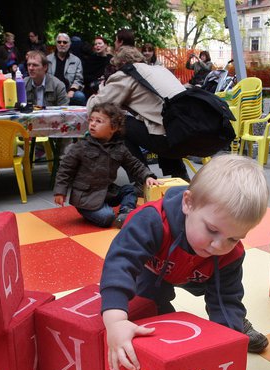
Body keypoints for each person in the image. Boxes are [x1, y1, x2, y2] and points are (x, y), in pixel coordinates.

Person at [101, 155, 270, 370]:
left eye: (233, 238)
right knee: (149, 308)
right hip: (154, 268)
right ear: (188, 203)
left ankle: (239, 326)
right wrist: (115, 322)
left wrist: (229, 350)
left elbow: (225, 298)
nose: (219, 245)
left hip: (201, 274)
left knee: (228, 312)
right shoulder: (151, 221)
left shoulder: (229, 254)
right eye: (212, 229)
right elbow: (119, 264)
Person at [87, 46, 190, 181]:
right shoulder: (159, 70)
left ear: (122, 63)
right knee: (162, 120)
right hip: (186, 135)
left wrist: (101, 90)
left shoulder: (127, 74)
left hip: (168, 141)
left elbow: (96, 108)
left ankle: (142, 179)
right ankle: (180, 175)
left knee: (120, 124)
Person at [54, 102, 160, 228]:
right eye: (91, 120)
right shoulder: (81, 146)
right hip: (86, 198)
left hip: (107, 192)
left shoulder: (120, 148)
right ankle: (97, 213)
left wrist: (147, 176)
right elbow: (65, 169)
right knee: (107, 217)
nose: (92, 124)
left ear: (113, 128)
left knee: (130, 190)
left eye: (98, 121)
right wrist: (60, 192)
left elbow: (134, 164)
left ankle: (126, 212)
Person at [47, 33, 85, 105]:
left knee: (80, 96)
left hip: (69, 91)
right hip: (51, 91)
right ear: (56, 44)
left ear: (69, 44)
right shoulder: (48, 59)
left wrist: (72, 90)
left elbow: (79, 79)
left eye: (65, 42)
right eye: (59, 42)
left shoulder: (76, 60)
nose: (62, 44)